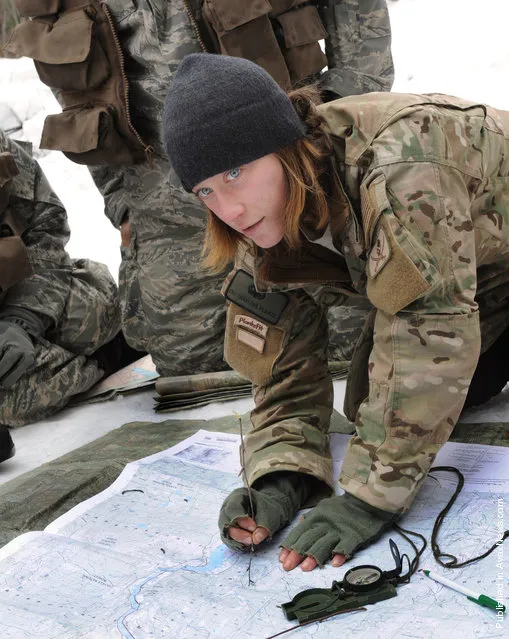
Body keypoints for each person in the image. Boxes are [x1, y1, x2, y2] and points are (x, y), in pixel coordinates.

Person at [162, 53, 509, 571]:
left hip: (484, 246)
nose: (228, 209)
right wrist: (281, 476)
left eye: (236, 172)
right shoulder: (261, 218)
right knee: (374, 401)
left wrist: (369, 499)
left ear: (284, 148)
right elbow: (282, 369)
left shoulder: (401, 171)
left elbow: (430, 335)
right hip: (486, 264)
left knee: (413, 406)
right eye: (206, 190)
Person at [7, 0, 394, 374]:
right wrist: (124, 206)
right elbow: (77, 94)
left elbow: (356, 12)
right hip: (161, 202)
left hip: (288, 166)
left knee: (357, 346)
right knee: (191, 367)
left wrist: (334, 129)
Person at [0, 129, 125, 458]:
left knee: (95, 314)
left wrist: (21, 318)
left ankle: (114, 349)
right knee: (12, 400)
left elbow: (45, 224)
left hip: (20, 289)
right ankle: (96, 366)